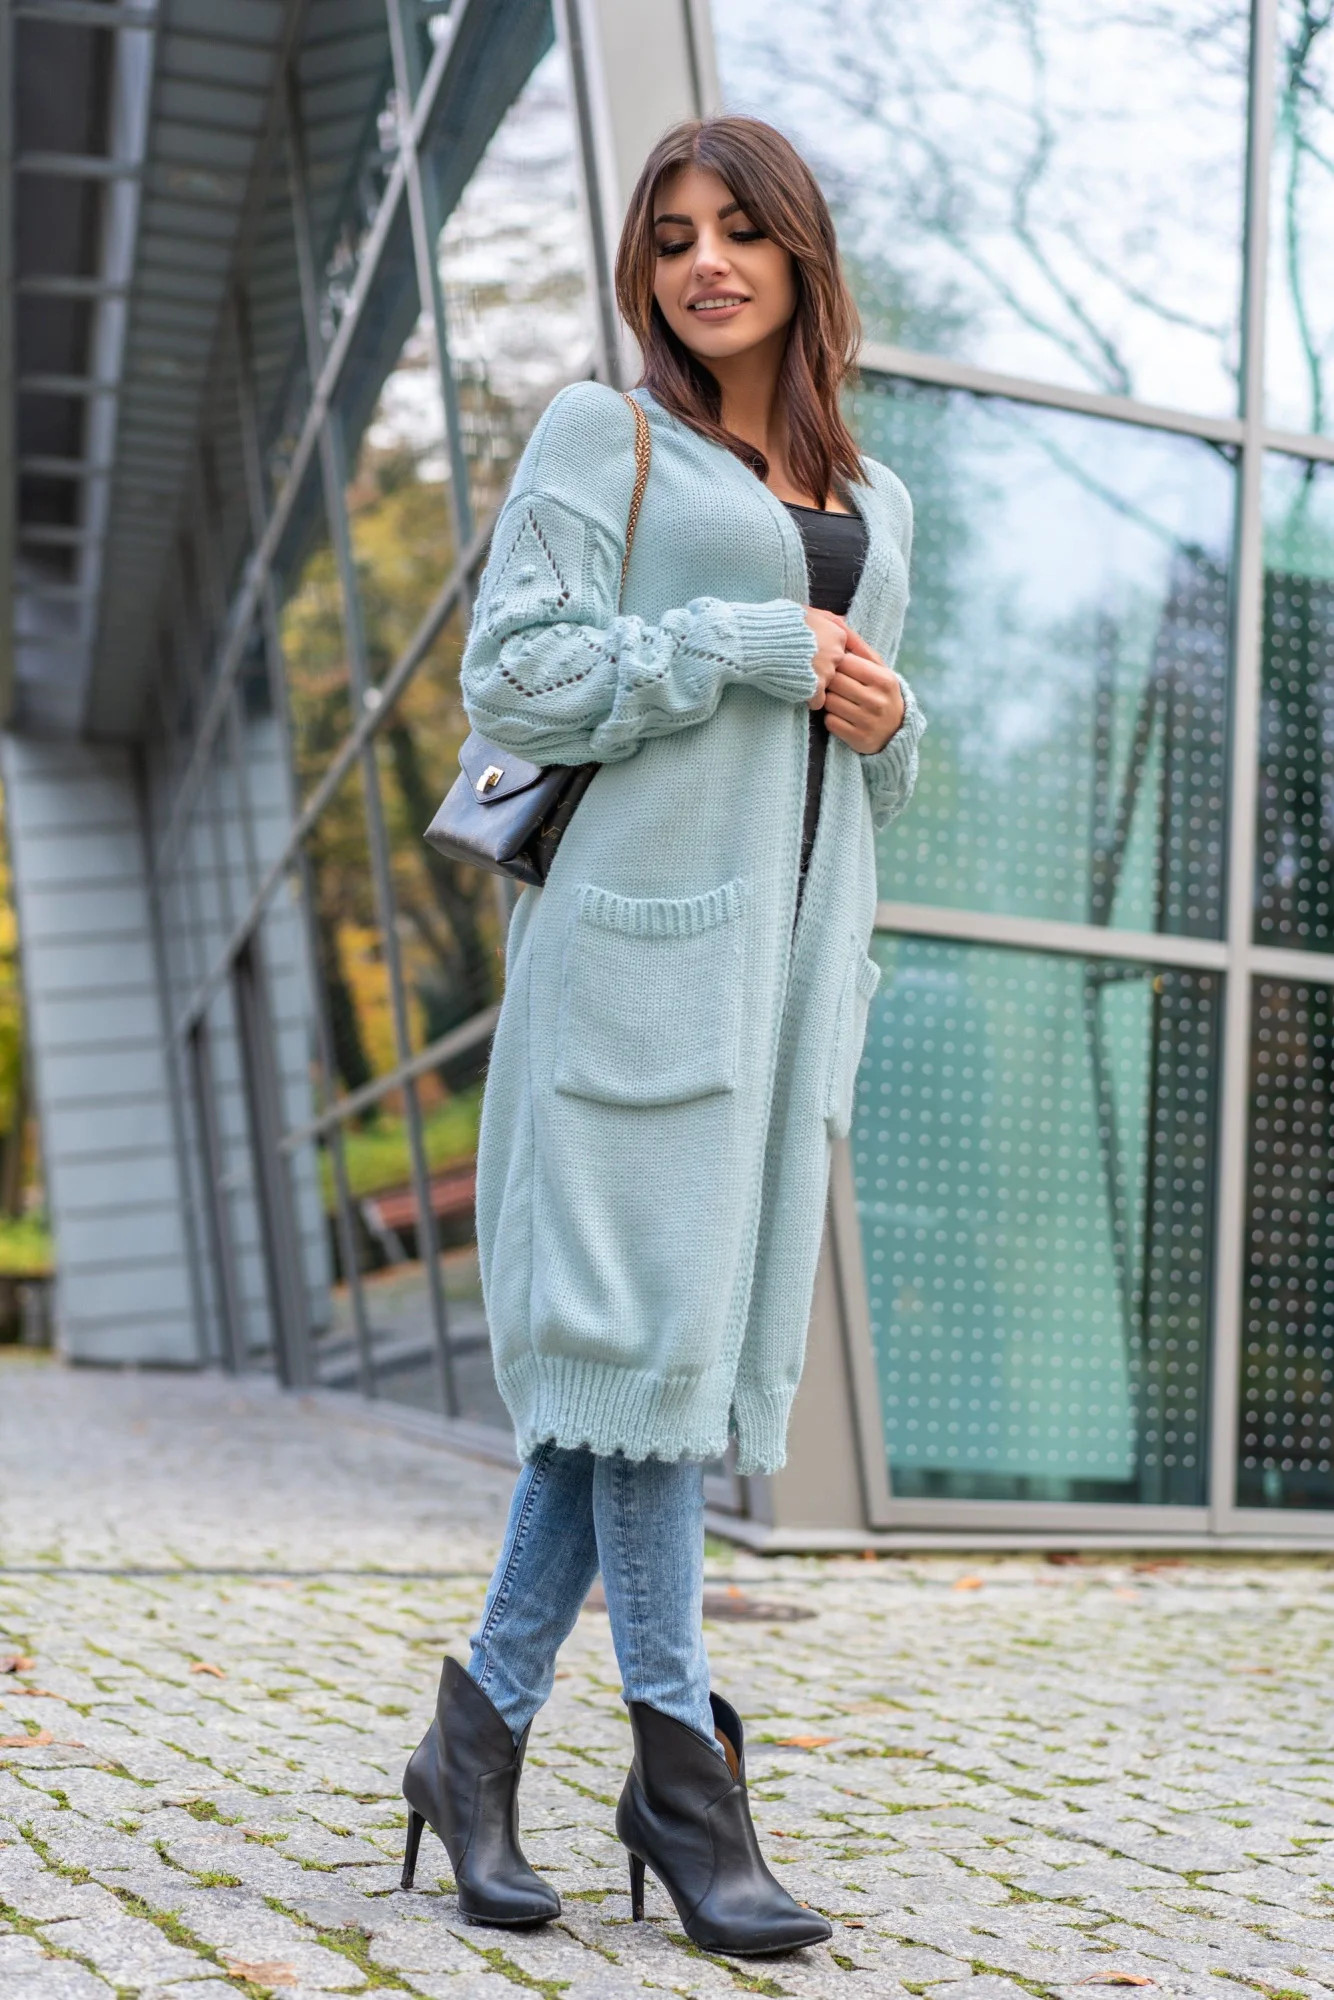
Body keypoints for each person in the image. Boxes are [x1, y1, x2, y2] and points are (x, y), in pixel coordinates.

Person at [401, 114, 924, 1955]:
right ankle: (687, 1786)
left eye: (740, 231)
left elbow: (860, 763)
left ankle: (472, 1743)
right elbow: (516, 677)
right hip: (631, 972)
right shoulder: (601, 438)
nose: (705, 262)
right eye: (674, 235)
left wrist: (890, 722)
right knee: (639, 1375)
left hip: (778, 997)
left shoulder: (876, 495)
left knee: (645, 1386)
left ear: (799, 256)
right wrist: (737, 643)